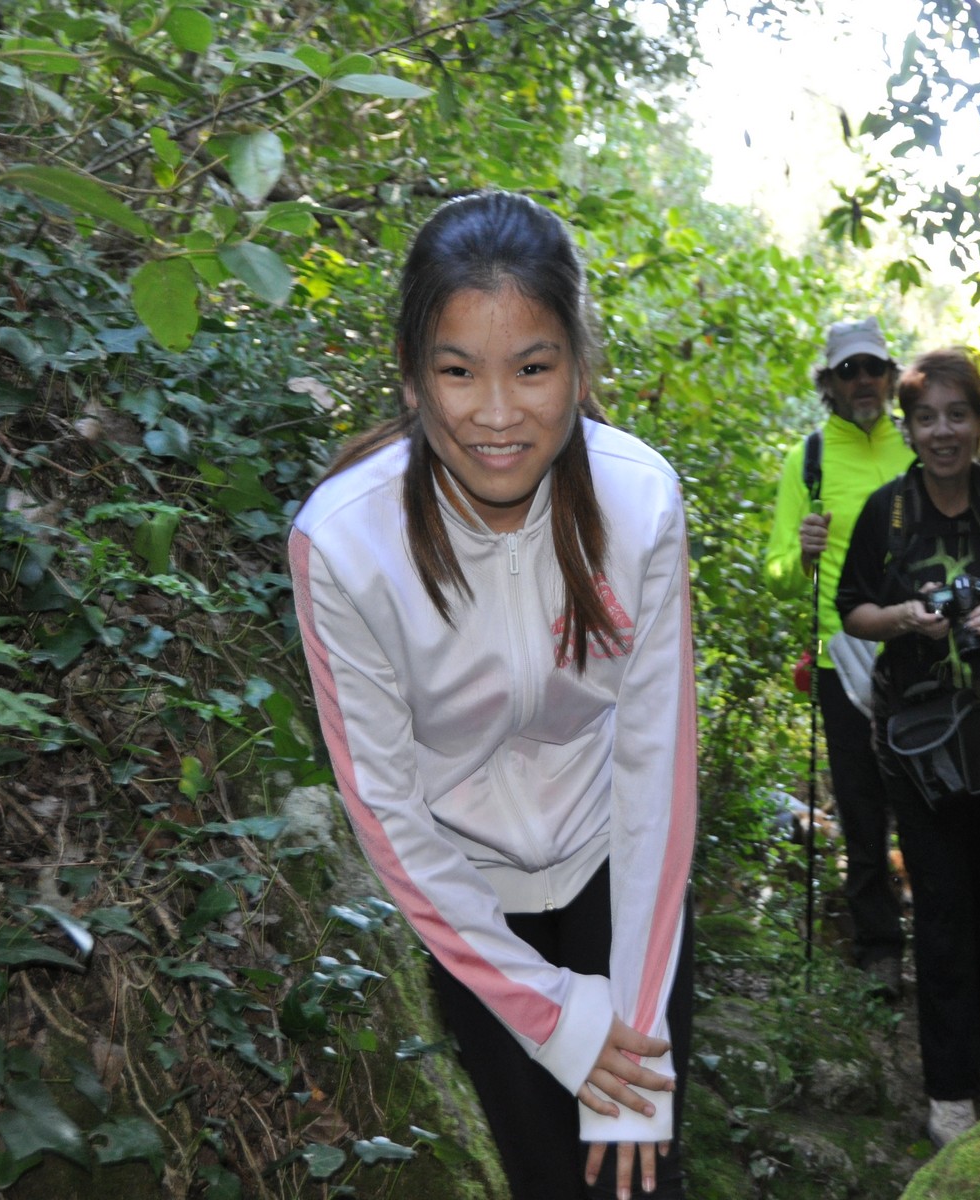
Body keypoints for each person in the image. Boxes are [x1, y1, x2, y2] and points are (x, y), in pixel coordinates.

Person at [288, 190, 696, 1199]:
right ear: (411, 376)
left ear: (580, 367)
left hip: (615, 870)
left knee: (640, 1177)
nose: (499, 413)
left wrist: (635, 1024)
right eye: (459, 370)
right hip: (470, 904)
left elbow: (656, 771)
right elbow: (387, 808)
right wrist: (554, 1017)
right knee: (546, 1178)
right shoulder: (344, 542)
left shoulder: (640, 501)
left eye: (533, 368)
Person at [836, 348, 980, 1148]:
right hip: (919, 739)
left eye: (957, 416)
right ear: (908, 429)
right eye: (927, 418)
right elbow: (853, 610)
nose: (942, 432)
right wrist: (906, 617)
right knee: (939, 904)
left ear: (978, 422)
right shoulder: (888, 513)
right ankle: (947, 1089)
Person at [764, 317, 914, 996]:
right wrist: (801, 553)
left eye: (873, 368)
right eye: (848, 371)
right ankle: (879, 948)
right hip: (841, 656)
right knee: (861, 805)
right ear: (829, 383)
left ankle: (940, 935)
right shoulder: (811, 459)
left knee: (928, 798)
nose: (863, 381)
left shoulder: (916, 444)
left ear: (890, 376)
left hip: (919, 645)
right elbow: (775, 573)